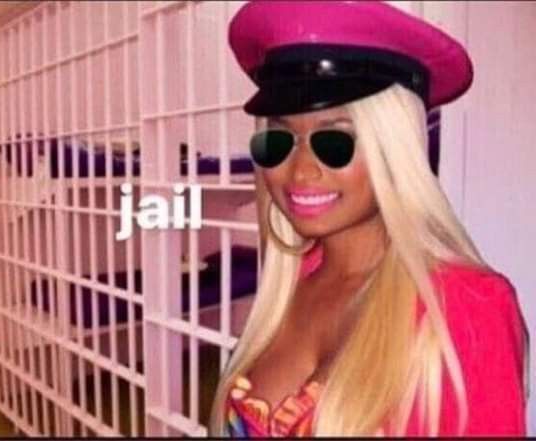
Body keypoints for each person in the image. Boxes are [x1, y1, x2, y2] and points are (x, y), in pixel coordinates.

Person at [208, 1, 529, 437]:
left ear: (393, 149)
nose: (300, 171)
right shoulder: (289, 286)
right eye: (279, 140)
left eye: (334, 142)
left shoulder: (466, 308)